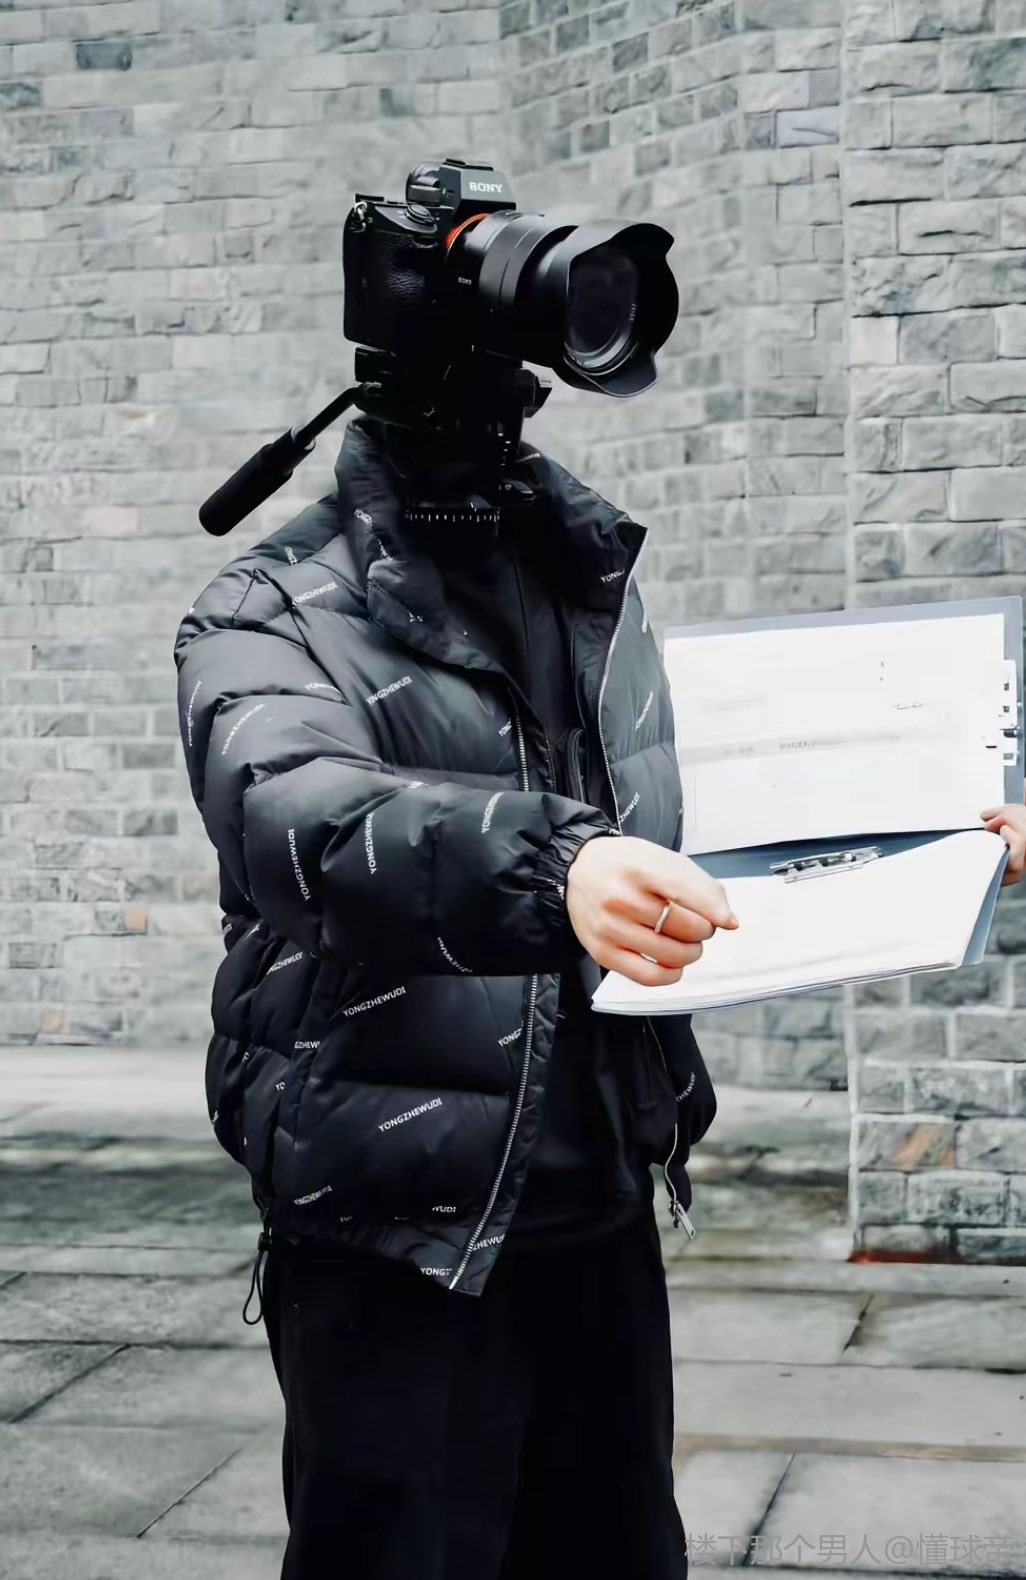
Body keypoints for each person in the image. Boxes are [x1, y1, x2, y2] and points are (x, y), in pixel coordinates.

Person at [174, 411, 1026, 1580]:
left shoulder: (584, 582)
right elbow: (302, 819)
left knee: (620, 1550)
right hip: (390, 1218)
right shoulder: (265, 608)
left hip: (602, 1192)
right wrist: (555, 867)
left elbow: (699, 805)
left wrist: (944, 834)